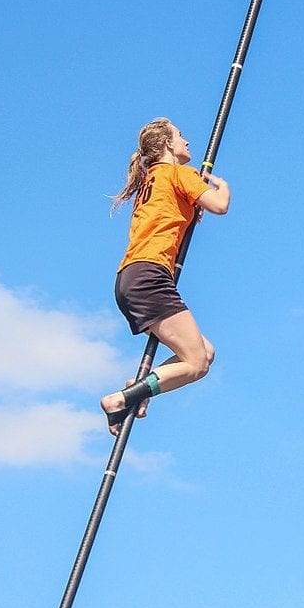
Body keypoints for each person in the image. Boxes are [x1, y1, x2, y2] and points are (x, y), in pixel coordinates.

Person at [101, 117, 230, 435]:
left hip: (131, 278)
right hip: (149, 276)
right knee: (197, 363)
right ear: (168, 144)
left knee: (205, 352)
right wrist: (222, 188)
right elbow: (219, 206)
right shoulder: (178, 173)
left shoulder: (152, 180)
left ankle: (140, 388)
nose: (187, 141)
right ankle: (119, 398)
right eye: (181, 136)